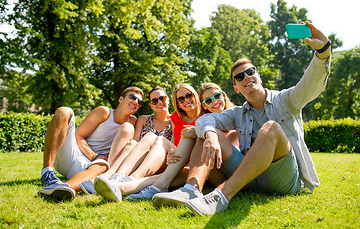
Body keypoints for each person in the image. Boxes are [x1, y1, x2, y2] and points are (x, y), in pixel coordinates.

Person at [153, 22, 331, 215]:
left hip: (284, 179)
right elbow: (204, 121)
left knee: (270, 128)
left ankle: (221, 196)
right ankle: (191, 190)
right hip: (251, 179)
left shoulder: (286, 100)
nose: (246, 77)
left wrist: (322, 51)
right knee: (206, 131)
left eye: (250, 71)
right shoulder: (238, 113)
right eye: (239, 76)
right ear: (236, 87)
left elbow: (311, 84)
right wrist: (211, 136)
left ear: (259, 76)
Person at [94, 83, 238, 202]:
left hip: (205, 166)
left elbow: (226, 150)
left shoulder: (217, 118)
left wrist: (195, 133)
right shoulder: (178, 117)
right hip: (184, 161)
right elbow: (176, 144)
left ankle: (127, 185)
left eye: (189, 95)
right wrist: (171, 154)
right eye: (181, 99)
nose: (186, 100)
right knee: (154, 138)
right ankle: (123, 179)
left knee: (180, 148)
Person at [38, 86, 144, 201]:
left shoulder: (133, 122)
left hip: (95, 168)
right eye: (133, 97)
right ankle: (47, 173)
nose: (136, 102)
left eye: (139, 101)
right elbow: (79, 135)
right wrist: (94, 156)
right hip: (73, 156)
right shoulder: (104, 112)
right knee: (64, 111)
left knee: (103, 165)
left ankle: (63, 188)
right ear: (121, 99)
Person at [79, 86, 173, 194]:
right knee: (132, 142)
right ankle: (109, 176)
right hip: (137, 158)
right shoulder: (143, 119)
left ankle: (111, 177)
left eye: (162, 98)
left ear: (168, 99)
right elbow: (135, 143)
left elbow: (173, 148)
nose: (159, 102)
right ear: (151, 105)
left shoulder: (174, 120)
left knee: (150, 137)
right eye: (154, 101)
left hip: (157, 162)